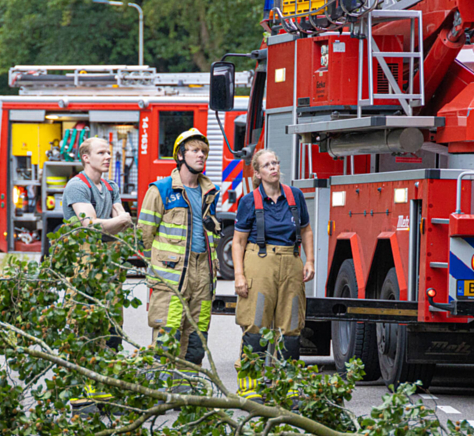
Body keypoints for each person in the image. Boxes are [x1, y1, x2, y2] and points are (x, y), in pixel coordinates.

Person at [232, 148, 315, 401]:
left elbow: (306, 231)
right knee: (256, 323)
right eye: (267, 165)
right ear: (257, 173)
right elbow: (238, 241)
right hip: (260, 262)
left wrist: (309, 260)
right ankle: (250, 386)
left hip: (291, 263)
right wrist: (239, 275)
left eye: (276, 163)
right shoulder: (249, 201)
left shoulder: (295, 196)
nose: (274, 168)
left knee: (290, 326)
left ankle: (287, 386)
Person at [137, 128, 221, 366]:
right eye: (195, 150)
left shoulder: (210, 192)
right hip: (171, 277)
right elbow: (144, 234)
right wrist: (155, 268)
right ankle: (163, 392)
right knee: (169, 333)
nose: (201, 155)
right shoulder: (161, 190)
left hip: (203, 274)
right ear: (181, 155)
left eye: (204, 151)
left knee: (197, 337)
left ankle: (188, 391)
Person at [60, 137, 133, 409]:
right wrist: (118, 221)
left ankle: (105, 387)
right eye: (101, 152)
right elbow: (91, 225)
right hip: (84, 265)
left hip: (109, 265)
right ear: (86, 157)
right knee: (85, 326)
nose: (107, 157)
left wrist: (116, 222)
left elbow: (118, 219)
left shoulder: (111, 186)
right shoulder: (77, 186)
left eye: (108, 152)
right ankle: (82, 393)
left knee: (113, 326)